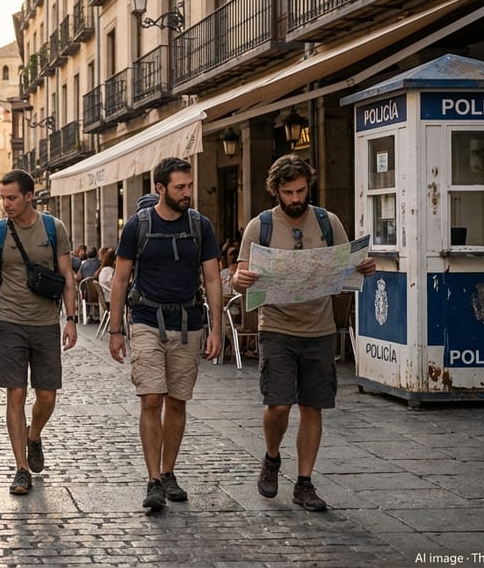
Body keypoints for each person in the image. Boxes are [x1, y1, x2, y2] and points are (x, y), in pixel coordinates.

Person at [230, 155, 377, 513]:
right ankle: (272, 456)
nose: (295, 198)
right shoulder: (260, 226)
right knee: (278, 404)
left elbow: (348, 266)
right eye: (288, 192)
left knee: (313, 407)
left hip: (319, 328)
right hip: (276, 326)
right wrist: (241, 279)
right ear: (276, 191)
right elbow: (239, 275)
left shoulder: (329, 223)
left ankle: (304, 482)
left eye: (300, 190)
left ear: (308, 185)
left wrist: (364, 268)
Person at [107, 157, 224, 514]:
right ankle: (154, 479)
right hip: (146, 319)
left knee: (177, 401)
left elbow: (214, 279)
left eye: (189, 186)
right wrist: (115, 329)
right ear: (160, 188)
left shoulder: (200, 226)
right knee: (152, 399)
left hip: (188, 323)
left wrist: (217, 328)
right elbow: (121, 279)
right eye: (180, 187)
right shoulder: (137, 226)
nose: (188, 193)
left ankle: (169, 471)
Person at [0, 169, 78, 496]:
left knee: (47, 395)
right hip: (10, 322)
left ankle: (34, 434)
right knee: (16, 393)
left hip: (47, 323)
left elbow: (67, 276)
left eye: (11, 198)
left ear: (28, 196)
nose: (5, 203)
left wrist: (71, 319)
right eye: (2, 197)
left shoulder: (53, 228)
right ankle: (21, 468)